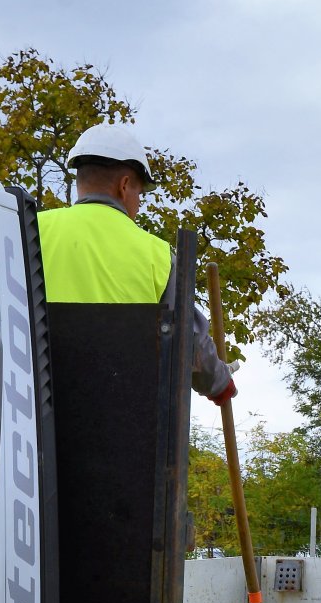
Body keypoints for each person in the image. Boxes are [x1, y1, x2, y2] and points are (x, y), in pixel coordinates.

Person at [37, 123, 235, 406]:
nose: (138, 204)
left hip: (32, 417)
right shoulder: (157, 255)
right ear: (125, 185)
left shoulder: (29, 229)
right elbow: (190, 344)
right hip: (121, 422)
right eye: (140, 194)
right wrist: (220, 384)